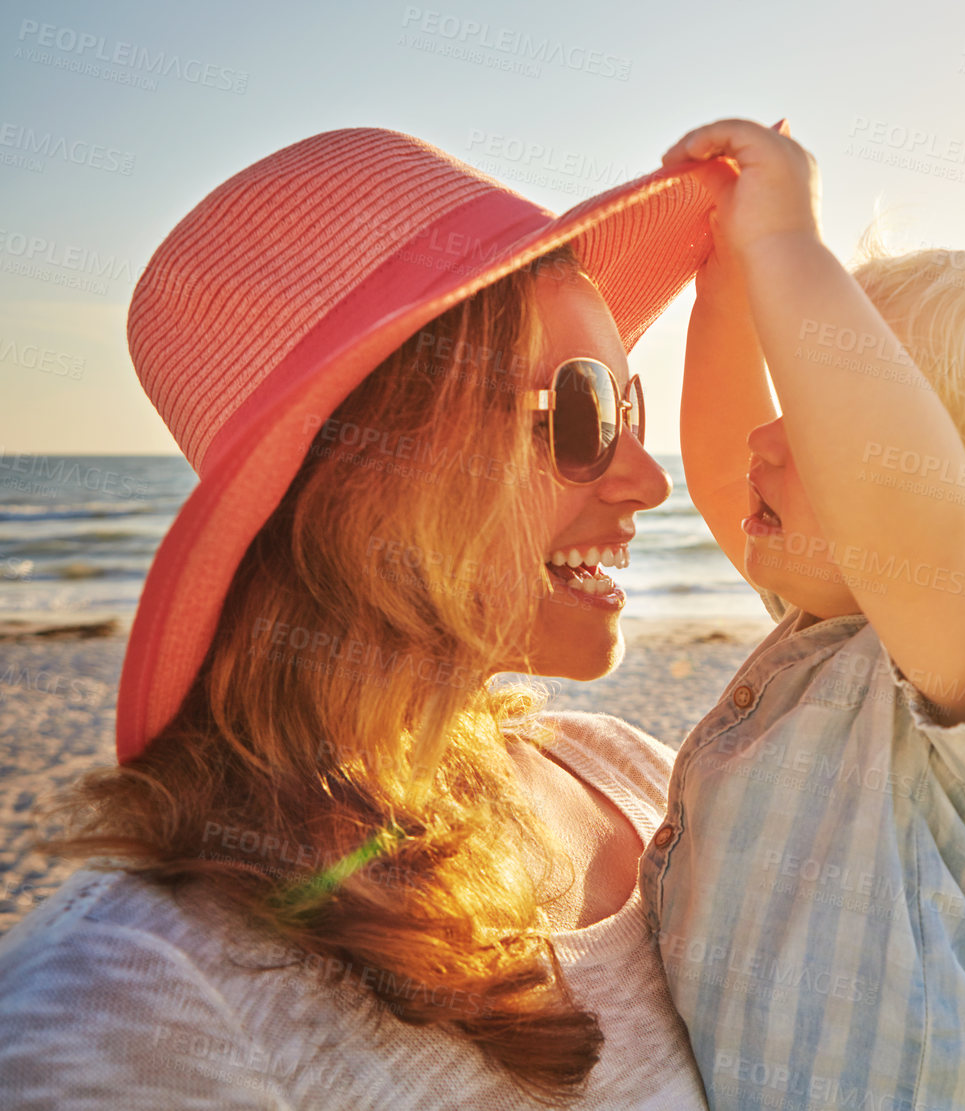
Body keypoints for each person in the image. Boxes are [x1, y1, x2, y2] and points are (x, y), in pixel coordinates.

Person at [0, 127, 729, 1108]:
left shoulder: (636, 777)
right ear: (366, 475)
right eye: (581, 412)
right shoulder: (139, 1004)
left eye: (627, 406)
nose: (645, 479)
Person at [640, 118, 965, 1110]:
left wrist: (791, 249)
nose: (770, 433)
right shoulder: (825, 631)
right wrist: (731, 284)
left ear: (952, 486)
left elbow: (905, 521)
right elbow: (719, 465)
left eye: (821, 407)